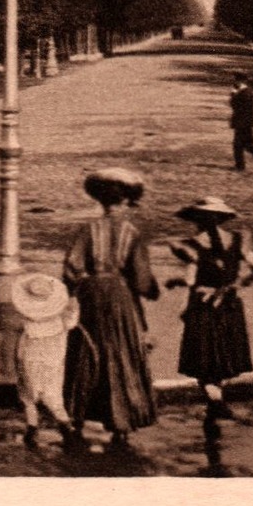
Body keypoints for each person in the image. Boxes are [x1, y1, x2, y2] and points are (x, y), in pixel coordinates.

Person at [62, 167, 160, 450]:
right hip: (119, 296)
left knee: (86, 351)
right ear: (128, 200)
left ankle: (78, 414)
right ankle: (120, 421)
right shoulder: (133, 233)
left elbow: (71, 269)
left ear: (100, 200)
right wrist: (153, 290)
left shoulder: (88, 229)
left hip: (90, 295)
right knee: (120, 352)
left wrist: (77, 291)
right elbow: (141, 281)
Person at [169, 196, 253, 420]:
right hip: (230, 305)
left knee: (202, 362)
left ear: (196, 220)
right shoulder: (236, 241)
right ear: (222, 218)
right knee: (225, 359)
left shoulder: (192, 246)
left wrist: (175, 284)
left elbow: (190, 280)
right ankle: (217, 402)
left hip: (203, 306)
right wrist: (237, 285)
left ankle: (216, 402)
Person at [11, 272, 79, 450]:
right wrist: (73, 304)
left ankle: (32, 428)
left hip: (30, 361)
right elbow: (72, 319)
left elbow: (20, 351)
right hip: (54, 360)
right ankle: (66, 428)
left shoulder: (28, 325)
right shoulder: (61, 322)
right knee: (53, 396)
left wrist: (18, 361)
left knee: (28, 396)